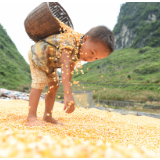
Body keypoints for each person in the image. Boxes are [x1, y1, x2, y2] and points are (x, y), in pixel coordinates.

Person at [26, 20, 115, 126]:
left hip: (49, 63)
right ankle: (31, 117)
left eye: (96, 58)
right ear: (85, 39)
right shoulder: (70, 40)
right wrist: (67, 94)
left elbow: (70, 71)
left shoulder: (79, 51)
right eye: (92, 52)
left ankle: (47, 116)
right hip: (38, 55)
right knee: (39, 83)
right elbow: (65, 66)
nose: (91, 58)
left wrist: (69, 92)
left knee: (54, 86)